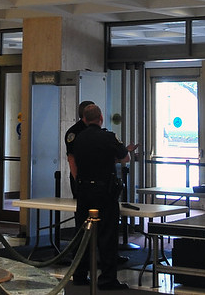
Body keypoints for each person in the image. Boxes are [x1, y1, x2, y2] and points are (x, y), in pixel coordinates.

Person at [72, 104, 137, 290]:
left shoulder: (79, 138)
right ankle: (107, 278)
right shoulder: (108, 137)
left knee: (82, 234)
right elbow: (126, 158)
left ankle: (79, 274)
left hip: (83, 191)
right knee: (107, 235)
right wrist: (111, 158)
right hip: (104, 193)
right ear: (100, 118)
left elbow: (75, 159)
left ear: (84, 119)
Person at [65, 100, 95, 198]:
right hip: (80, 175)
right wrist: (77, 180)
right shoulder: (74, 132)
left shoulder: (95, 130)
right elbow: (71, 158)